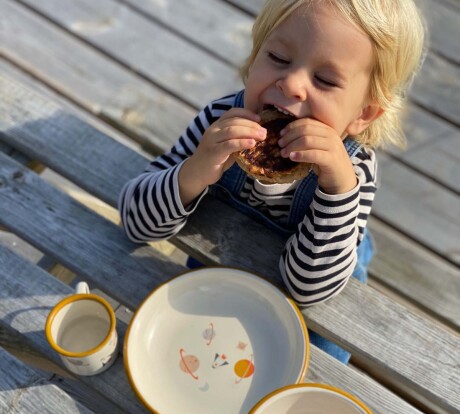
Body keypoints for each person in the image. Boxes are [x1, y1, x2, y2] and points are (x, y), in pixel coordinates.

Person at [118, 0, 426, 364]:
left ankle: (362, 245)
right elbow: (135, 224)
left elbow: (308, 289)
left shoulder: (353, 169)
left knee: (316, 368)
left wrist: (337, 188)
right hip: (222, 259)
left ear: (363, 113)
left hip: (319, 270)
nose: (293, 84)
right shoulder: (220, 121)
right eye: (279, 58)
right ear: (254, 58)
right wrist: (195, 171)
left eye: (325, 80)